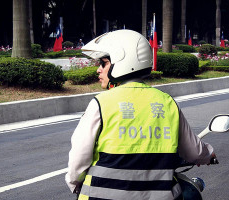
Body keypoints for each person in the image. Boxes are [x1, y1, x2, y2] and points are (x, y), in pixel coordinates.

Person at [65, 29, 215, 199]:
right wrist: (208, 155)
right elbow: (194, 152)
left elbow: (79, 158)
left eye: (103, 63)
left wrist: (74, 183)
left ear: (122, 61)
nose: (98, 70)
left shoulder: (101, 103)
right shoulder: (166, 103)